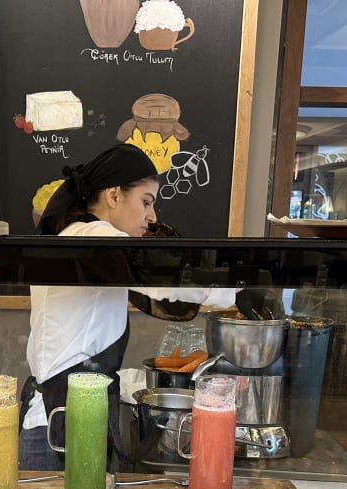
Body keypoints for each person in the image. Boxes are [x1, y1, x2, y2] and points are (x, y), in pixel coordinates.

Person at [18, 143, 234, 470]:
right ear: (114, 195)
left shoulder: (81, 237)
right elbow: (162, 278)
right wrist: (237, 293)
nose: (153, 216)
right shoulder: (92, 237)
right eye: (146, 201)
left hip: (69, 420)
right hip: (58, 428)